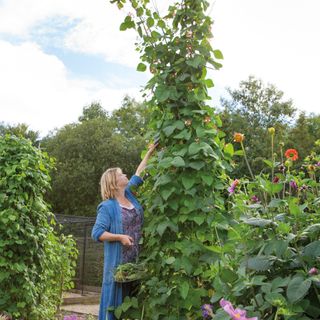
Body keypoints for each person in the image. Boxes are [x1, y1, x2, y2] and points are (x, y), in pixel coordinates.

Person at [91, 144, 157, 320]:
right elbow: (97, 233)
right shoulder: (107, 207)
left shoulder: (129, 195)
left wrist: (150, 152)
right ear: (113, 183)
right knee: (116, 307)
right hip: (119, 266)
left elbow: (138, 173)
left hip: (136, 261)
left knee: (134, 308)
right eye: (121, 174)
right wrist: (120, 237)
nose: (125, 175)